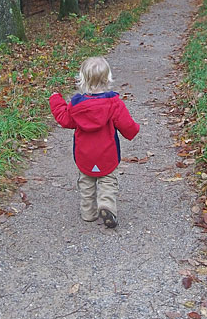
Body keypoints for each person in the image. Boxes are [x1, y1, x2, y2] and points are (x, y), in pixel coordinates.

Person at [49, 56, 140, 228]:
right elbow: (127, 125)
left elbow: (64, 119)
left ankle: (88, 213)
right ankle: (106, 205)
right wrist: (134, 129)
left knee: (86, 181)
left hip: (84, 154)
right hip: (107, 153)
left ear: (82, 80)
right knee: (108, 180)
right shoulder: (114, 103)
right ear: (107, 79)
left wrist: (56, 99)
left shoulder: (76, 106)